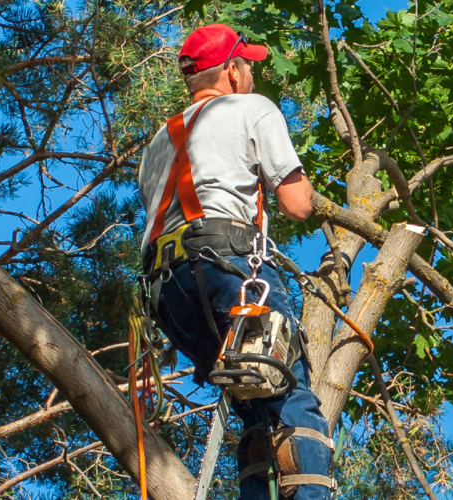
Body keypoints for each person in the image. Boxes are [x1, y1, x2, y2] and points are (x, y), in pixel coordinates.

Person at [136, 23, 331, 500]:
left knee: (251, 401)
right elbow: (298, 204)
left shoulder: (157, 143)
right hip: (229, 266)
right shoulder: (251, 108)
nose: (252, 75)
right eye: (248, 65)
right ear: (232, 69)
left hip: (166, 289)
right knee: (291, 395)